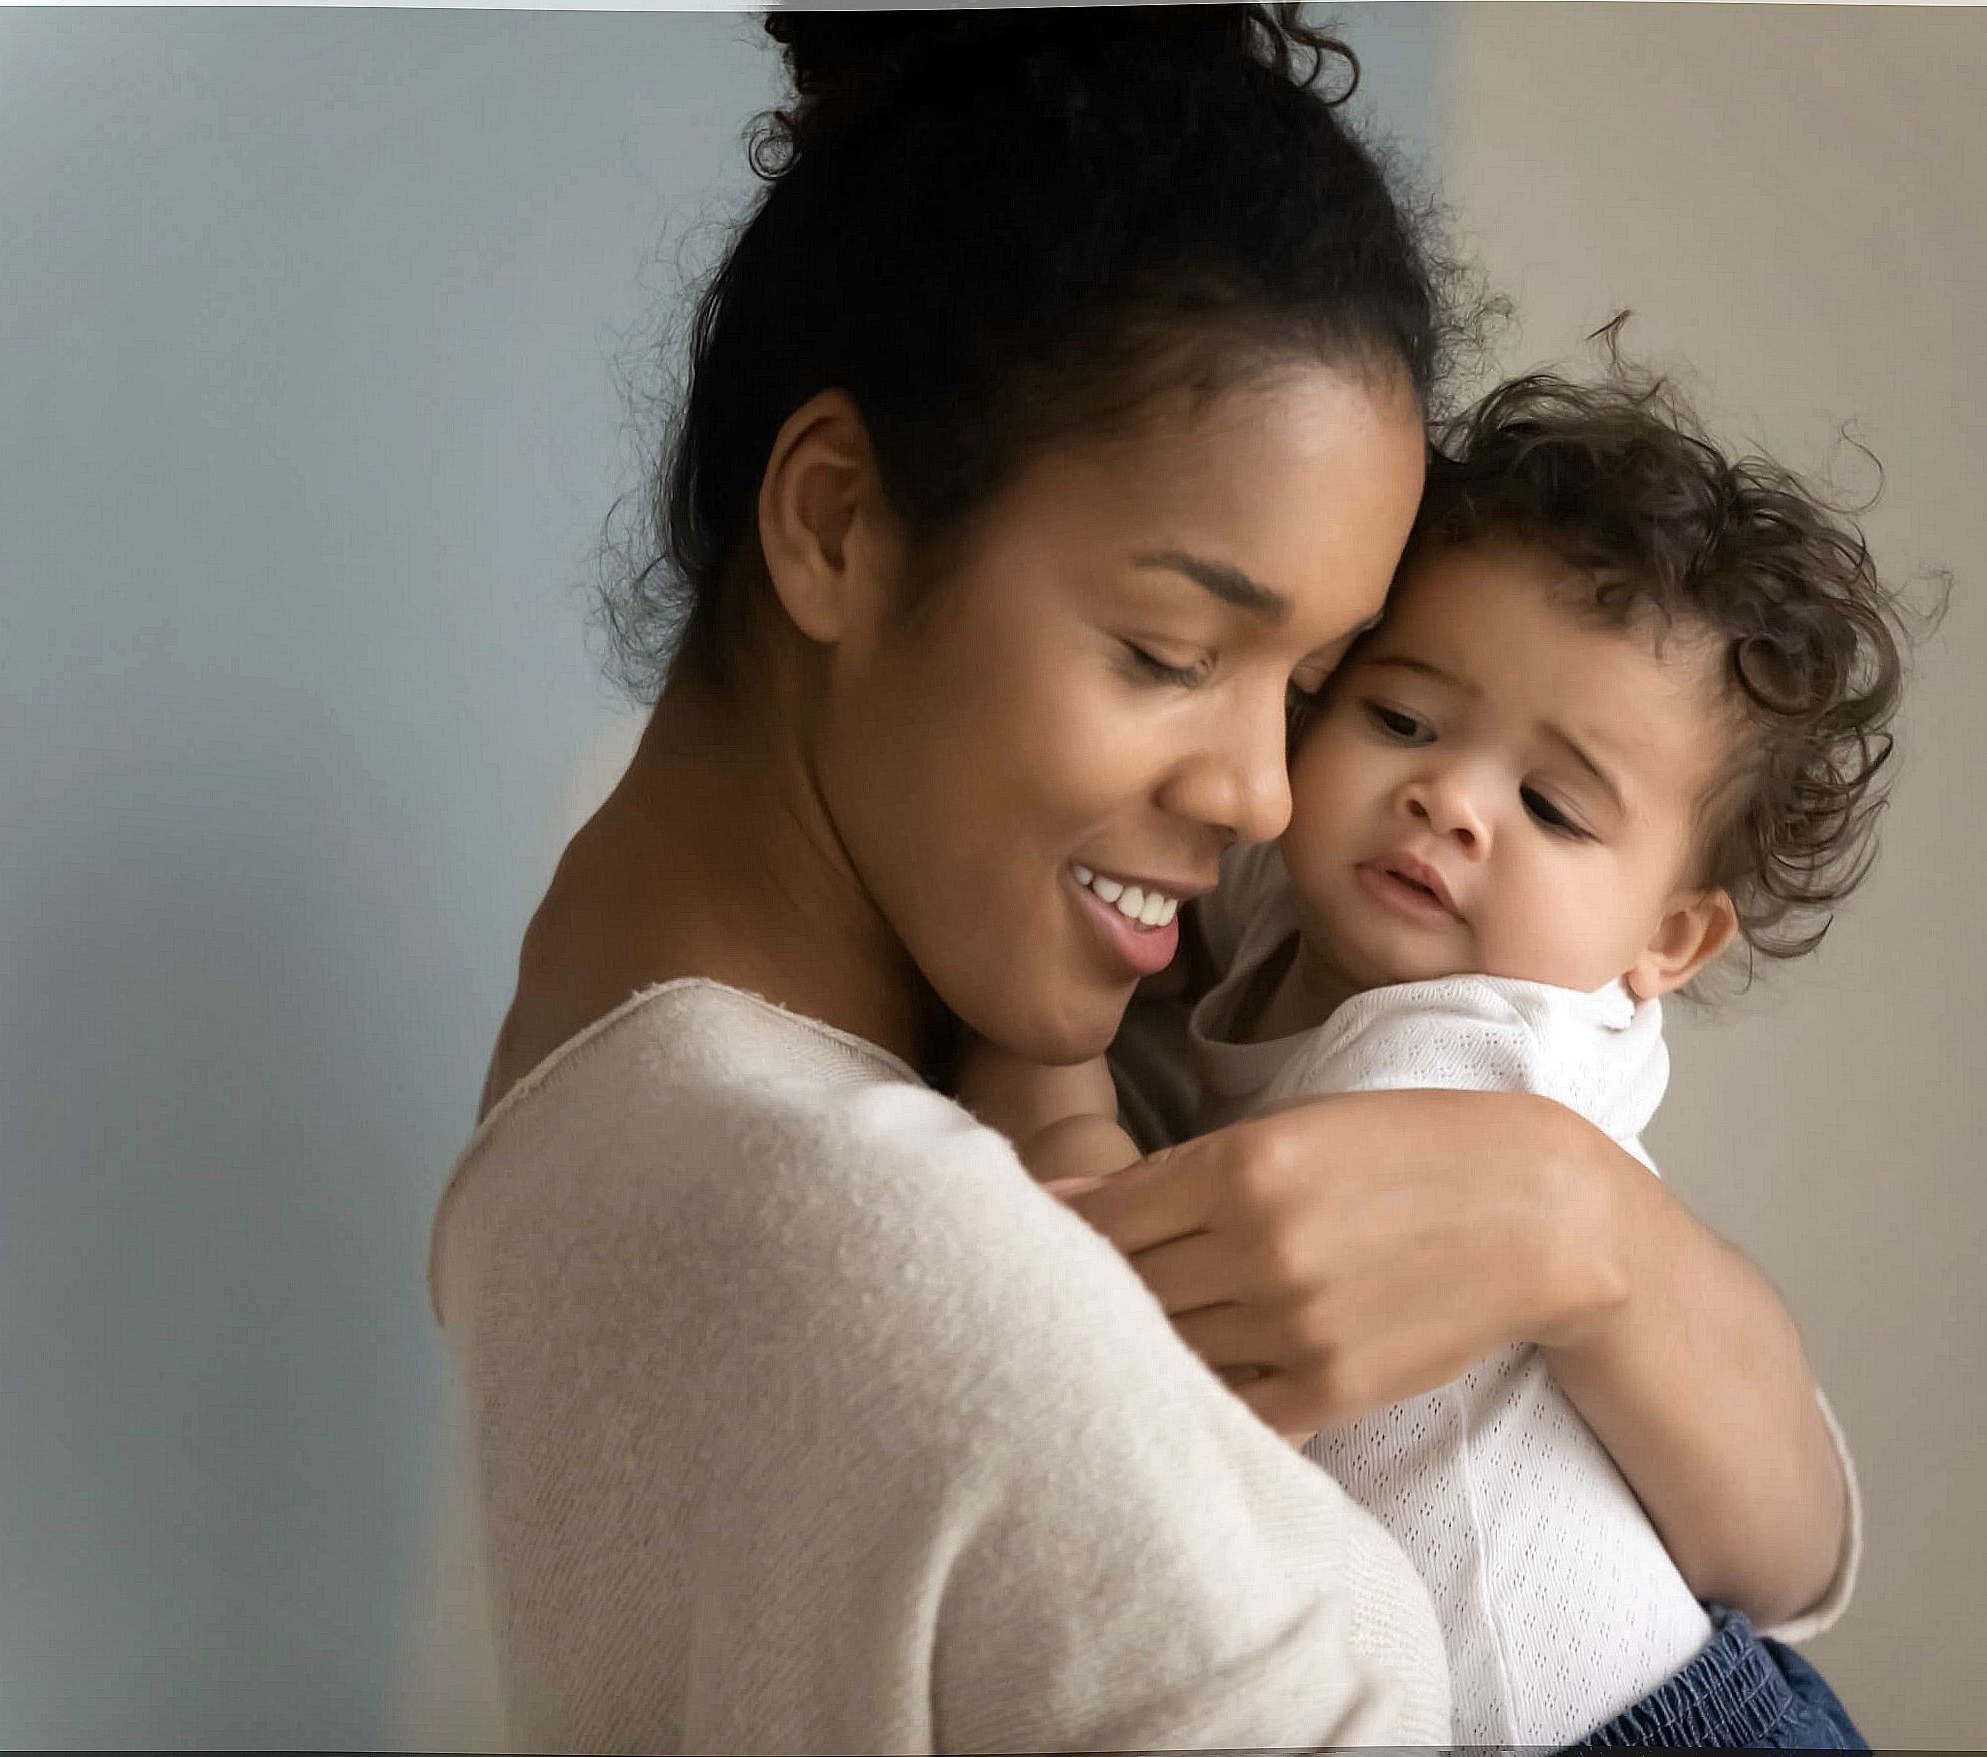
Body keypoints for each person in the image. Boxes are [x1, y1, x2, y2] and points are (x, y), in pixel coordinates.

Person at [429, 8, 1848, 1749]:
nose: (1265, 795)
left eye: (1310, 685)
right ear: (834, 522)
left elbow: (1792, 1554)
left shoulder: (613, 999)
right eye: (1173, 650)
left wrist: (1598, 1229)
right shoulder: (946, 1272)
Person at [965, 353, 1909, 1747]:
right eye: (1402, 718)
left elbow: (1147, 1330)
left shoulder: (1476, 1052)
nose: (1448, 800)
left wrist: (1033, 1071)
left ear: (1670, 940)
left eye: (1552, 804)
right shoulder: (1297, 910)